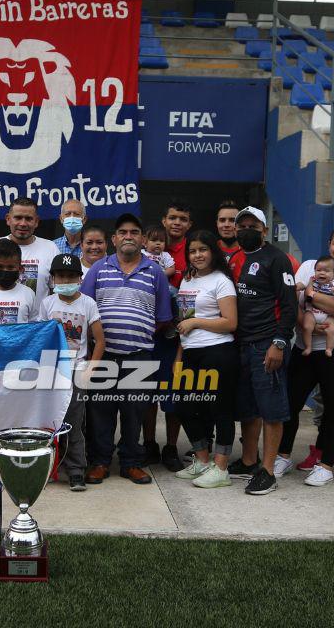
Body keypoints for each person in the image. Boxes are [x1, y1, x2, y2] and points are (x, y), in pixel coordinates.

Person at [81, 213, 172, 485]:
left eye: (134, 232)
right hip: (104, 356)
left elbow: (163, 317)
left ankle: (131, 463)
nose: (128, 236)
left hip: (140, 356)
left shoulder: (155, 272)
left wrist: (137, 333)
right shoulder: (99, 268)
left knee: (135, 412)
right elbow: (83, 310)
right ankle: (100, 462)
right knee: (101, 413)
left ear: (143, 239)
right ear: (114, 238)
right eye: (123, 232)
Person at [278, 226, 334, 487]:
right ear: (329, 244)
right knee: (290, 405)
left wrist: (311, 295)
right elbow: (290, 301)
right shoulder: (308, 265)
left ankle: (326, 465)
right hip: (305, 349)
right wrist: (306, 320)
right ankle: (282, 456)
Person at [227, 206, 297, 495]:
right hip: (241, 344)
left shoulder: (278, 259)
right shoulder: (235, 258)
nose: (245, 230)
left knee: (271, 409)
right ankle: (248, 460)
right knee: (248, 408)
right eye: (241, 225)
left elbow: (290, 305)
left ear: (264, 230)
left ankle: (267, 470)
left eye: (252, 226)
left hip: (267, 345)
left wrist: (279, 343)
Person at [172, 231, 238, 489]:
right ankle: (201, 460)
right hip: (191, 353)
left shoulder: (221, 281)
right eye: (192, 251)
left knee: (220, 410)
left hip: (218, 352)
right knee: (184, 406)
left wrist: (197, 321)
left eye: (203, 249)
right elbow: (183, 323)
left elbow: (231, 322)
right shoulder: (188, 280)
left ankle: (221, 468)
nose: (197, 255)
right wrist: (179, 356)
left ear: (213, 251)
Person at [38, 253, 104, 492]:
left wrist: (91, 369)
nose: (66, 280)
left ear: (80, 277)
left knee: (74, 423)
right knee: (48, 422)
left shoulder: (88, 303)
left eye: (71, 276)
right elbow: (40, 337)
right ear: (53, 279)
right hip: (52, 372)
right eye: (61, 276)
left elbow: (99, 340)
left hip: (77, 371)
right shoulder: (47, 303)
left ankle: (76, 470)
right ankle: (46, 468)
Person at [143, 200, 192, 472]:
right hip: (149, 333)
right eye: (172, 217)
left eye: (182, 219)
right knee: (146, 394)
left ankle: (171, 447)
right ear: (163, 220)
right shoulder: (145, 247)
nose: (177, 223)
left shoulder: (193, 250)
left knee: (174, 394)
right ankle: (149, 444)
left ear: (189, 224)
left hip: (175, 337)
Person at [0, 198, 59, 311]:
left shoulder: (51, 248)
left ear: (37, 221)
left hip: (38, 326)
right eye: (18, 218)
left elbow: (56, 292)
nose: (23, 223)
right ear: (8, 219)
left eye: (28, 219)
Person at [298, 256, 334, 357]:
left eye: (326, 271)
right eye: (318, 270)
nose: (322, 273)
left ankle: (329, 349)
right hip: (312, 311)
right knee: (306, 327)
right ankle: (308, 347)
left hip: (327, 314)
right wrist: (308, 283)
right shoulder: (313, 281)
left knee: (332, 330)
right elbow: (307, 291)